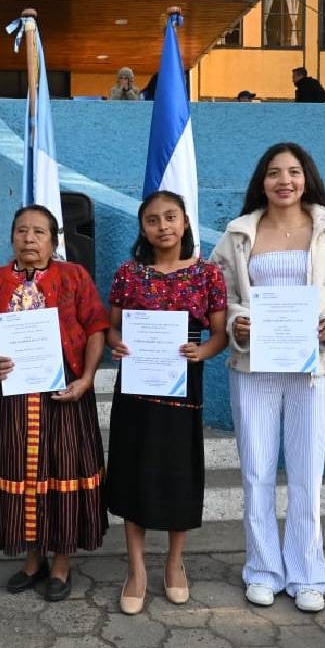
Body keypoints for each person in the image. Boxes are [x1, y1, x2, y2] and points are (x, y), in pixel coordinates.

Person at [209, 143, 325, 612]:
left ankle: (306, 574)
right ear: (261, 181)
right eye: (274, 173)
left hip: (310, 369)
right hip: (253, 368)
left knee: (306, 472)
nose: (285, 181)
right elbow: (220, 296)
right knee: (257, 470)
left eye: (294, 172)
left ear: (306, 178)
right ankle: (262, 569)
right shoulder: (239, 233)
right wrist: (236, 323)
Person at [0, 204, 109, 602]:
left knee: (61, 473)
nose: (29, 238)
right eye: (22, 231)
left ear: (54, 241)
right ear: (11, 237)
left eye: (39, 232)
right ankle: (32, 559)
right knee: (20, 474)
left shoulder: (74, 277)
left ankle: (61, 562)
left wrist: (87, 378)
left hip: (63, 397)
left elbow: (96, 327)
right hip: (6, 398)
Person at [105, 191, 228, 615]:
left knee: (179, 472)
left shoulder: (208, 274)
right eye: (153, 220)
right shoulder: (128, 274)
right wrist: (117, 344)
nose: (163, 226)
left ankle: (175, 563)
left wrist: (202, 352)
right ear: (143, 228)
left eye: (171, 217)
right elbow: (112, 328)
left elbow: (219, 334)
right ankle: (136, 568)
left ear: (185, 222)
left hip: (182, 386)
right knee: (133, 470)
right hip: (136, 388)